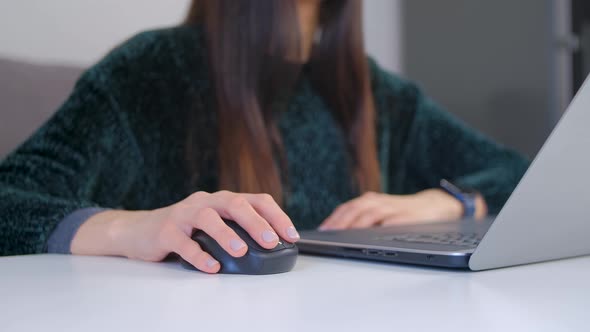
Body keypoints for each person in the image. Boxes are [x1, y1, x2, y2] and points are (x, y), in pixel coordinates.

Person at [0, 0, 529, 273]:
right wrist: (131, 230)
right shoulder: (150, 73)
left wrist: (448, 200)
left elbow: (518, 171)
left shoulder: (375, 92)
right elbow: (10, 200)